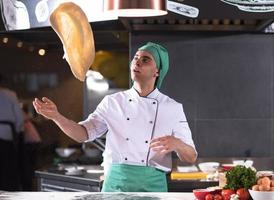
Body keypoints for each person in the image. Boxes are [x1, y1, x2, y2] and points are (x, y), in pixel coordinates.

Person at [33, 42, 197, 192]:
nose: (137, 62)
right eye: (136, 58)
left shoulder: (172, 108)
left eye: (145, 60)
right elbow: (83, 134)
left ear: (157, 71)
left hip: (153, 186)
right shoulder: (112, 102)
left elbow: (191, 156)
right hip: (115, 184)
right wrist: (56, 117)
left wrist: (177, 144)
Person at [0, 74, 24, 191]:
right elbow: (19, 120)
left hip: (7, 136)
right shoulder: (10, 94)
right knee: (8, 171)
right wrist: (19, 133)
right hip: (7, 137)